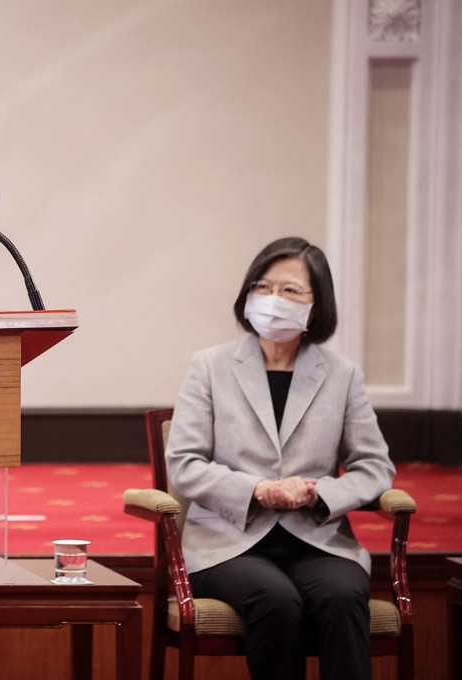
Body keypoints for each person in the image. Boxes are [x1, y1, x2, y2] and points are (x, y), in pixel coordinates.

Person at [165, 237, 395, 680]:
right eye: (263, 286)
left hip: (317, 538)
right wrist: (258, 489)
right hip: (228, 542)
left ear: (317, 305)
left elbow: (374, 467)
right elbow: (186, 463)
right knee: (275, 600)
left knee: (344, 596)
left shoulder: (342, 375)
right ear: (248, 294)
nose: (274, 300)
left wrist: (318, 493)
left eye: (290, 291)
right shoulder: (210, 366)